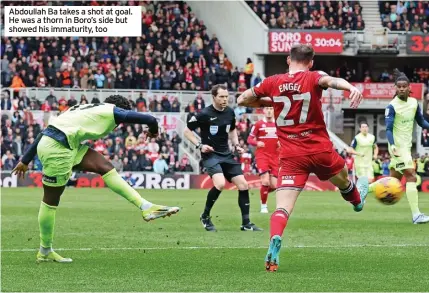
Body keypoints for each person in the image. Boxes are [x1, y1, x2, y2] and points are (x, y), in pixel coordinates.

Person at [237, 44, 367, 272]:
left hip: (291, 154)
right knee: (344, 180)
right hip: (319, 150)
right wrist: (350, 88)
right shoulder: (314, 77)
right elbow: (332, 82)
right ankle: (357, 201)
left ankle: (275, 237)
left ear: (288, 59)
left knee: (283, 207)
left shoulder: (272, 82)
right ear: (311, 62)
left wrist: (271, 101)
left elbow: (242, 100)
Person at [12, 95, 180, 264]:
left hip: (64, 144)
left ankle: (146, 207)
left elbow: (45, 131)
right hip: (58, 149)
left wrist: (26, 160)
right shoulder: (112, 111)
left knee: (104, 167)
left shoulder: (81, 108)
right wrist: (153, 130)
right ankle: (45, 250)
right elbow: (150, 119)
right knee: (51, 200)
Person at [184, 84, 262, 232]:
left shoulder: (230, 113)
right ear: (214, 97)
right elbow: (187, 131)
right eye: (221, 96)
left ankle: (246, 223)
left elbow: (232, 130)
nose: (225, 99)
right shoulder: (204, 114)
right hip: (210, 155)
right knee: (220, 184)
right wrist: (200, 145)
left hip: (226, 154)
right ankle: (205, 216)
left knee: (244, 185)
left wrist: (237, 144)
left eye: (226, 96)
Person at [375, 69, 429, 224]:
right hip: (398, 149)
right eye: (399, 87)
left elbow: (421, 122)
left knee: (394, 180)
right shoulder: (391, 107)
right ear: (395, 88)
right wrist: (392, 145)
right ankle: (416, 215)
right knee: (411, 175)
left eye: (404, 86)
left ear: (409, 87)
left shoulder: (414, 103)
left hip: (406, 146)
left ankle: (364, 188)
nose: (402, 89)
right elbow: (388, 129)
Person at [247, 106, 278, 213]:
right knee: (265, 180)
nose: (269, 111)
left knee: (274, 185)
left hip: (275, 157)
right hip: (262, 156)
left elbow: (284, 138)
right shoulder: (258, 124)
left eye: (271, 108)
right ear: (263, 111)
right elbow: (249, 139)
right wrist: (257, 143)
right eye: (267, 109)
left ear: (274, 110)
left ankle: (263, 191)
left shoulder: (278, 124)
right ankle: (263, 206)